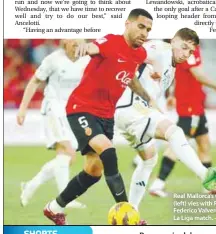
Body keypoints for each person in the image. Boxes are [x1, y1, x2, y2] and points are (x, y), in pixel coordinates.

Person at [43, 8, 154, 225]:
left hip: (106, 116)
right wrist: (82, 46)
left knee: (93, 171)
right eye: (141, 26)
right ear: (128, 24)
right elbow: (92, 47)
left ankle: (53, 208)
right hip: (82, 108)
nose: (144, 32)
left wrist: (145, 95)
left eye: (148, 29)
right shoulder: (110, 41)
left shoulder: (139, 54)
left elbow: (129, 76)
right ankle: (127, 215)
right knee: (109, 152)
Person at [114, 28, 216, 211]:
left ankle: (132, 212)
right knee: (174, 132)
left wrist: (168, 94)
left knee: (149, 160)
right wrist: (132, 67)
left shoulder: (171, 65)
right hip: (131, 110)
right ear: (174, 41)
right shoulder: (160, 48)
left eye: (190, 51)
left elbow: (155, 77)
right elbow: (130, 53)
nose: (186, 54)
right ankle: (205, 176)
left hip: (135, 113)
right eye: (183, 47)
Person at [148, 44, 216, 197]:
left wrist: (171, 94)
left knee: (204, 145)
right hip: (190, 108)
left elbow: (175, 73)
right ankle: (158, 184)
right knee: (177, 146)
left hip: (196, 107)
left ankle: (208, 186)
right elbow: (197, 74)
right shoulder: (189, 49)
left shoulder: (182, 50)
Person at [17, 39, 89, 208]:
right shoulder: (53, 59)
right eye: (74, 44)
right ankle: (65, 198)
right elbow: (35, 81)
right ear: (65, 44)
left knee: (64, 159)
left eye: (80, 43)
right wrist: (22, 108)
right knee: (69, 152)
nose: (77, 47)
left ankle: (30, 185)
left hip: (72, 111)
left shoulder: (86, 60)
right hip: (53, 108)